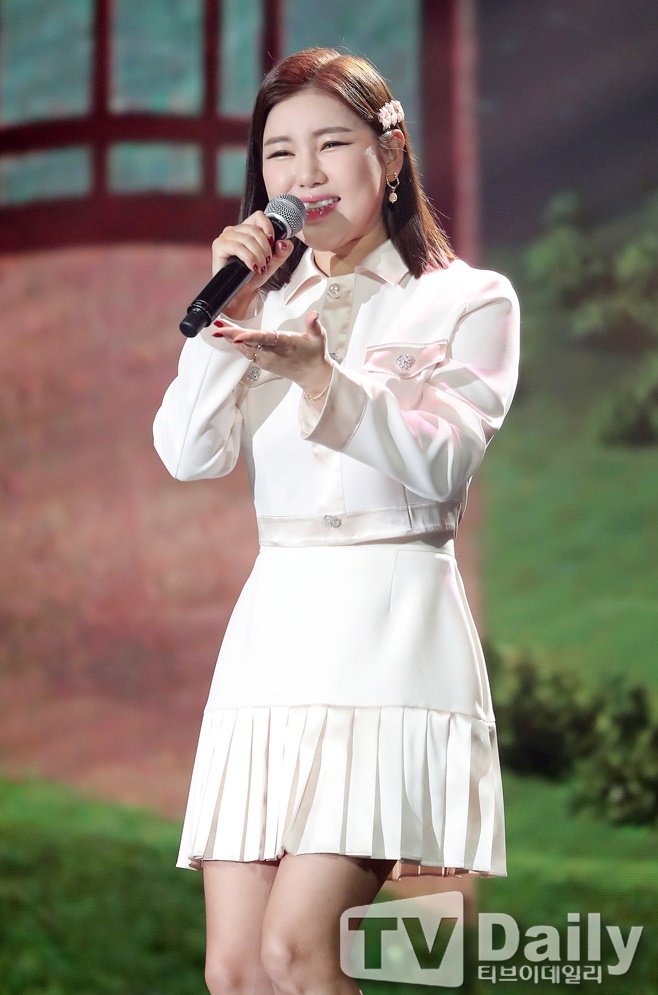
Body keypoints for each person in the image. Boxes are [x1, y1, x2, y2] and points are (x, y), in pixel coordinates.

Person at [153, 46, 520, 995]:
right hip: (272, 638)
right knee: (237, 969)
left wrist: (323, 378)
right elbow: (188, 451)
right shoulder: (266, 303)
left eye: (331, 144)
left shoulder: (468, 300)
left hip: (390, 636)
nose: (304, 175)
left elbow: (443, 457)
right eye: (280, 153)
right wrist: (230, 312)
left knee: (297, 949)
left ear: (389, 155)